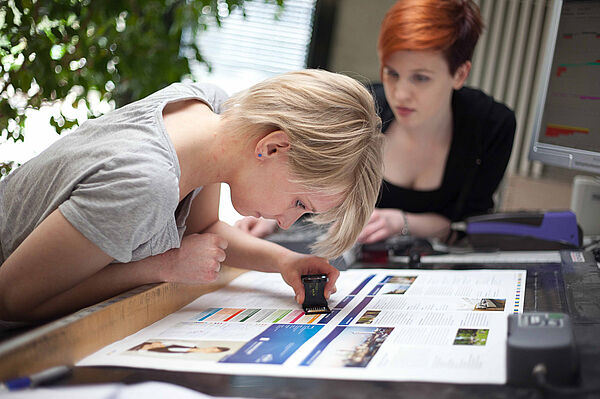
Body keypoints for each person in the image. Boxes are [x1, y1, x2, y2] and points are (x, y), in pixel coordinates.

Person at [0, 69, 383, 323]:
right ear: (272, 148)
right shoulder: (145, 183)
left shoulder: (210, 110)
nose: (284, 222)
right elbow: (12, 299)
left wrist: (285, 261)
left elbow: (202, 228)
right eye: (300, 203)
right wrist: (162, 267)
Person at [237, 0, 516, 245]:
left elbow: (468, 227)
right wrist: (273, 217)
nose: (401, 93)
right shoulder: (362, 109)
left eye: (420, 78)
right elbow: (310, 178)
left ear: (459, 74)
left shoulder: (491, 126)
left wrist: (402, 222)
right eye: (391, 73)